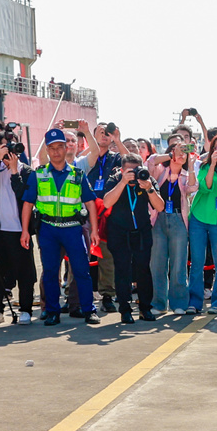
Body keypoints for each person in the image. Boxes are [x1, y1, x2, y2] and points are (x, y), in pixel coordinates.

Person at [19, 129, 101, 326]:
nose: (56, 152)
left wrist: (95, 231)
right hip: (48, 229)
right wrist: (24, 231)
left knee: (81, 271)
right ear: (47, 150)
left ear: (66, 148)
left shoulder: (78, 174)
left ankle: (89, 310)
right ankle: (53, 312)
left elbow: (90, 203)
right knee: (50, 272)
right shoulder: (38, 175)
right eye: (52, 148)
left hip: (73, 228)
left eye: (60, 147)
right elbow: (27, 204)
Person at [0, 137, 37, 325]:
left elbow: (23, 194)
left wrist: (14, 170)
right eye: (5, 145)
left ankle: (25, 310)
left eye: (12, 145)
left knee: (25, 273)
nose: (10, 150)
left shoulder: (27, 171)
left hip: (20, 231)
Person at [103, 153, 162, 323]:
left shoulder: (147, 179)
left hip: (141, 231)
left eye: (137, 170)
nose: (134, 174)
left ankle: (145, 308)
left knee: (143, 270)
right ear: (122, 169)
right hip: (119, 232)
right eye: (130, 171)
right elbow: (107, 202)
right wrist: (122, 182)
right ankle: (125, 310)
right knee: (122, 271)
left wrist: (149, 188)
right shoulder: (115, 179)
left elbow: (159, 206)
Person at [187, 134, 217, 314]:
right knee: (197, 262)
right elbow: (205, 187)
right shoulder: (204, 166)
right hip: (199, 218)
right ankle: (195, 302)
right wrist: (213, 164)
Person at [150, 142, 197, 314]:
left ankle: (179, 303)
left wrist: (191, 165)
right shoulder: (160, 171)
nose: (181, 154)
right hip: (159, 219)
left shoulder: (185, 174)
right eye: (179, 150)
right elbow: (150, 161)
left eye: (185, 151)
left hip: (178, 219)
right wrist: (171, 155)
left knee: (178, 264)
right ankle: (158, 304)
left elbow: (193, 187)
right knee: (157, 263)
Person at [85, 122, 124, 313]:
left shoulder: (115, 158)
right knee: (80, 255)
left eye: (106, 133)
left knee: (107, 256)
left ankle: (107, 295)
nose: (104, 135)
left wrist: (117, 139)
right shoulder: (85, 158)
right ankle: (75, 295)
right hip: (85, 211)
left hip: (107, 212)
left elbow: (131, 161)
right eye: (99, 132)